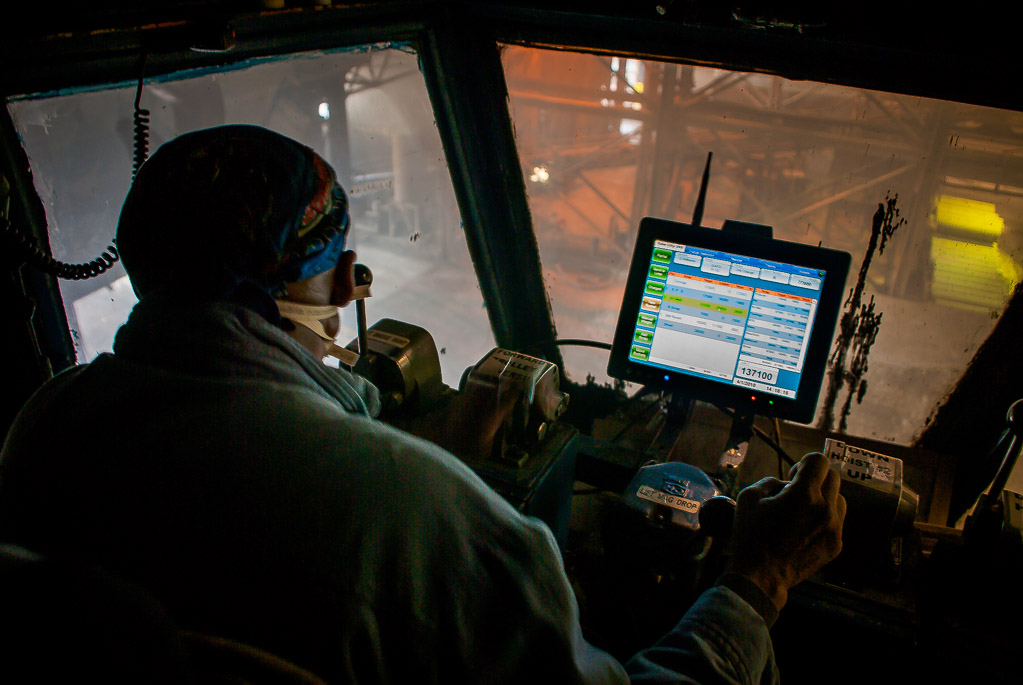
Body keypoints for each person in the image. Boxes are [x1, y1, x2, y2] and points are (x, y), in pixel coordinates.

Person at [0, 125, 845, 683]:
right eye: (339, 254)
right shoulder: (423, 517)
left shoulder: (47, 423)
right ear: (329, 282)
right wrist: (755, 582)